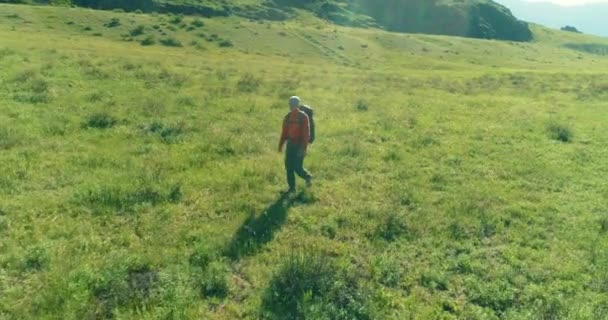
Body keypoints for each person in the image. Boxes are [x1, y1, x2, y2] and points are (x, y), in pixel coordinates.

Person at [278, 96, 313, 193]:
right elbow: (284, 133)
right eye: (290, 104)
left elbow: (306, 135)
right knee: (288, 167)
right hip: (290, 145)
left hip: (299, 146)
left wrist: (303, 149)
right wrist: (280, 145)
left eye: (293, 104)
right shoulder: (287, 117)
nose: (291, 106)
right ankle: (292, 188)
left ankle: (307, 177)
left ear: (298, 105)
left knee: (297, 167)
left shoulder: (303, 117)